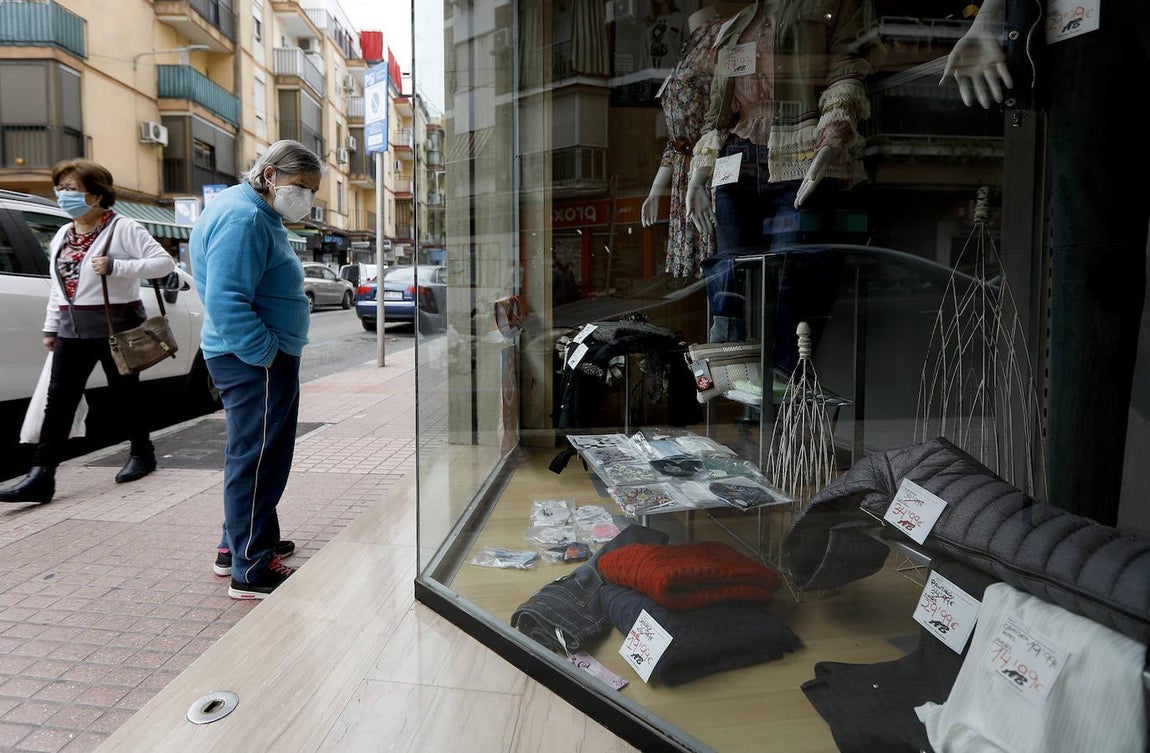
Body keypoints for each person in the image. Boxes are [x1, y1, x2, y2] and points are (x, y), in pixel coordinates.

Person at [943, 0, 1149, 526]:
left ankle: (1077, 543)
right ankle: (1077, 542)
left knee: (1088, 277)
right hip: (1086, 26)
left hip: (1087, 30)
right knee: (1086, 283)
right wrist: (993, 13)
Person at [684, 0, 884, 341]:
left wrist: (832, 137)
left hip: (801, 153)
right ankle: (735, 372)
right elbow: (718, 111)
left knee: (794, 276)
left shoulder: (832, 5)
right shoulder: (736, 25)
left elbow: (846, 69)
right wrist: (699, 174)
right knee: (730, 270)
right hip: (736, 161)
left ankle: (787, 380)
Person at [189, 139, 322, 599]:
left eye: (312, 190)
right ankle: (251, 567)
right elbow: (226, 301)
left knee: (255, 454)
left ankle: (242, 543)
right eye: (301, 185)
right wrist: (265, 353)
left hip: (254, 358)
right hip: (253, 360)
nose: (305, 197)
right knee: (259, 459)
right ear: (270, 175)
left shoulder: (251, 211)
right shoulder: (245, 218)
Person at [0, 160, 175, 505]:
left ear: (96, 195)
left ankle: (143, 453)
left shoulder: (123, 228)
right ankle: (41, 476)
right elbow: (58, 286)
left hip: (116, 326)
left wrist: (117, 266)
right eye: (60, 188)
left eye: (71, 189)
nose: (63, 195)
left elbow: (163, 263)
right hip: (72, 327)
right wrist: (51, 325)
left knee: (125, 395)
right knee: (59, 401)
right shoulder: (64, 233)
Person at [641, 6, 723, 280]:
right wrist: (656, 189)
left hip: (707, 166)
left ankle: (723, 319)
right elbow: (674, 142)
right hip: (682, 173)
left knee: (716, 261)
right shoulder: (686, 50)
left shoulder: (716, 39)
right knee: (702, 270)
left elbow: (721, 117)